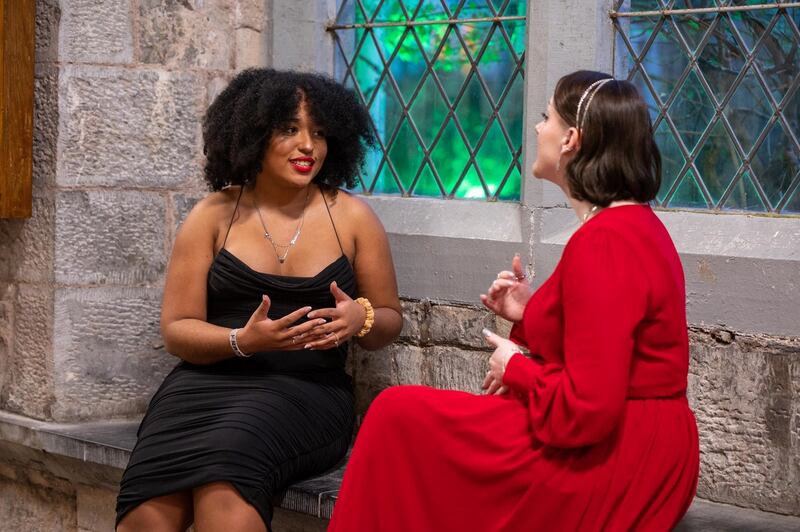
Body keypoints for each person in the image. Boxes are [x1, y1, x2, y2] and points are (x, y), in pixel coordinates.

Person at [328, 70, 700, 531]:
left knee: (395, 416)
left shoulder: (606, 241)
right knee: (405, 417)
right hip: (640, 438)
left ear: (571, 140)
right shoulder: (629, 225)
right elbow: (601, 340)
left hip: (622, 455)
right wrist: (530, 311)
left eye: (547, 117)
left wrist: (516, 366)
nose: (538, 127)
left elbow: (588, 410)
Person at [115, 68, 403, 532]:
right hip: (201, 388)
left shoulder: (353, 218)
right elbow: (177, 330)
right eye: (289, 129)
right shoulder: (213, 215)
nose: (308, 146)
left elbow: (389, 318)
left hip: (304, 391)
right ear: (252, 135)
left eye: (319, 133)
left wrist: (360, 318)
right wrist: (243, 340)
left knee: (225, 483)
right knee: (147, 513)